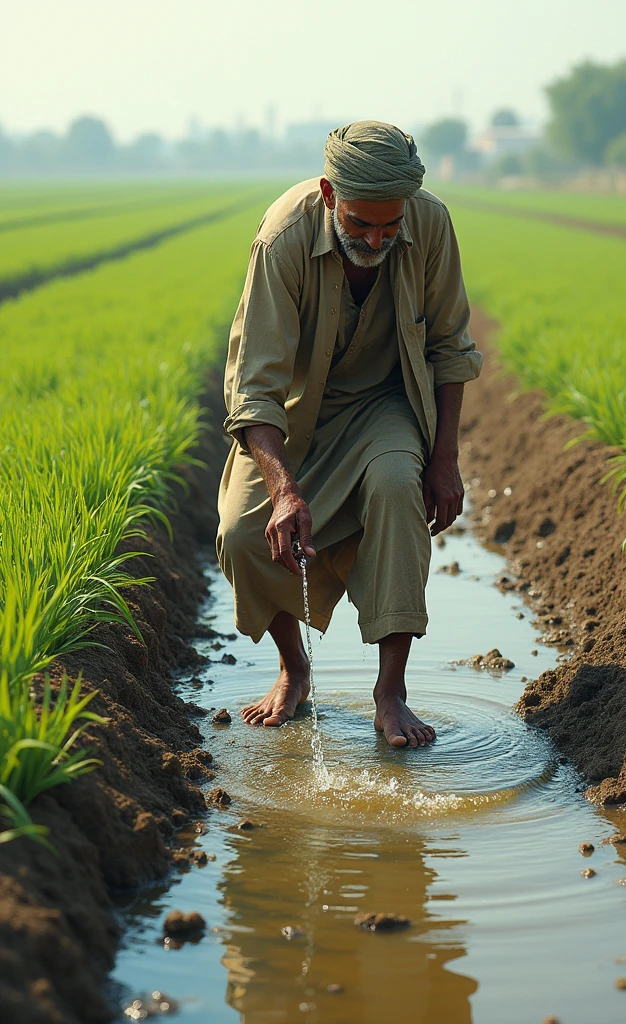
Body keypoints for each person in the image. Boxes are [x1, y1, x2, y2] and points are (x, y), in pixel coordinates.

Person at [217, 120, 482, 748]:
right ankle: (295, 669)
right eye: (362, 224)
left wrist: (444, 459)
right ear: (332, 194)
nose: (376, 239)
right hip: (299, 412)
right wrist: (284, 490)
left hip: (387, 402)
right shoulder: (283, 238)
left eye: (390, 228)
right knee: (242, 531)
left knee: (396, 487)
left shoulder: (430, 224)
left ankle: (391, 692)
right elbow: (254, 386)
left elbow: (449, 346)